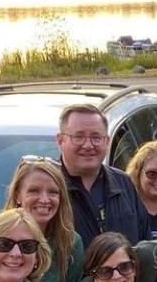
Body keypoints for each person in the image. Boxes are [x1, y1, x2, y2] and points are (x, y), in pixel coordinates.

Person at [56, 103, 149, 247]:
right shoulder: (48, 191)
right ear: (60, 141)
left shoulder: (124, 184)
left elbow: (145, 245)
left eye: (96, 137)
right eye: (78, 137)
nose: (88, 145)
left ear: (106, 141)